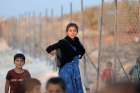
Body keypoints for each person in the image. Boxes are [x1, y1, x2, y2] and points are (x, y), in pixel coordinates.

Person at [46, 22, 85, 93]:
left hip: (75, 69)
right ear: (67, 32)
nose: (72, 32)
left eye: (74, 30)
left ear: (77, 32)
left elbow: (82, 51)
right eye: (70, 30)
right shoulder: (63, 42)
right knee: (68, 89)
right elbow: (48, 49)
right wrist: (56, 54)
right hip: (66, 69)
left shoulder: (77, 42)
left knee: (78, 89)